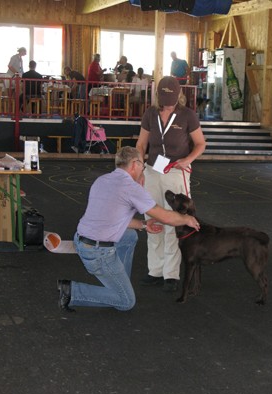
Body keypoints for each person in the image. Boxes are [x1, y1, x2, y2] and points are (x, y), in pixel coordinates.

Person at [57, 146, 200, 312]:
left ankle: (119, 282)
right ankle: (72, 291)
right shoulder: (131, 188)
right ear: (134, 164)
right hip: (97, 253)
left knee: (130, 236)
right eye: (142, 166)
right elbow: (166, 217)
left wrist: (143, 225)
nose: (143, 170)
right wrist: (187, 218)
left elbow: (112, 218)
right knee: (125, 302)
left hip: (82, 240)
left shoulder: (103, 180)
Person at [136, 76, 206, 292]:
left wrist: (188, 159)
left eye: (172, 98)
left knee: (175, 221)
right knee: (153, 220)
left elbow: (201, 143)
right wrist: (139, 170)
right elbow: (141, 144)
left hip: (176, 173)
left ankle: (171, 275)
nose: (169, 102)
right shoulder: (150, 113)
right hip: (152, 172)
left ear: (179, 96)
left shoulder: (187, 115)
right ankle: (154, 271)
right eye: (165, 98)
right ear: (158, 96)